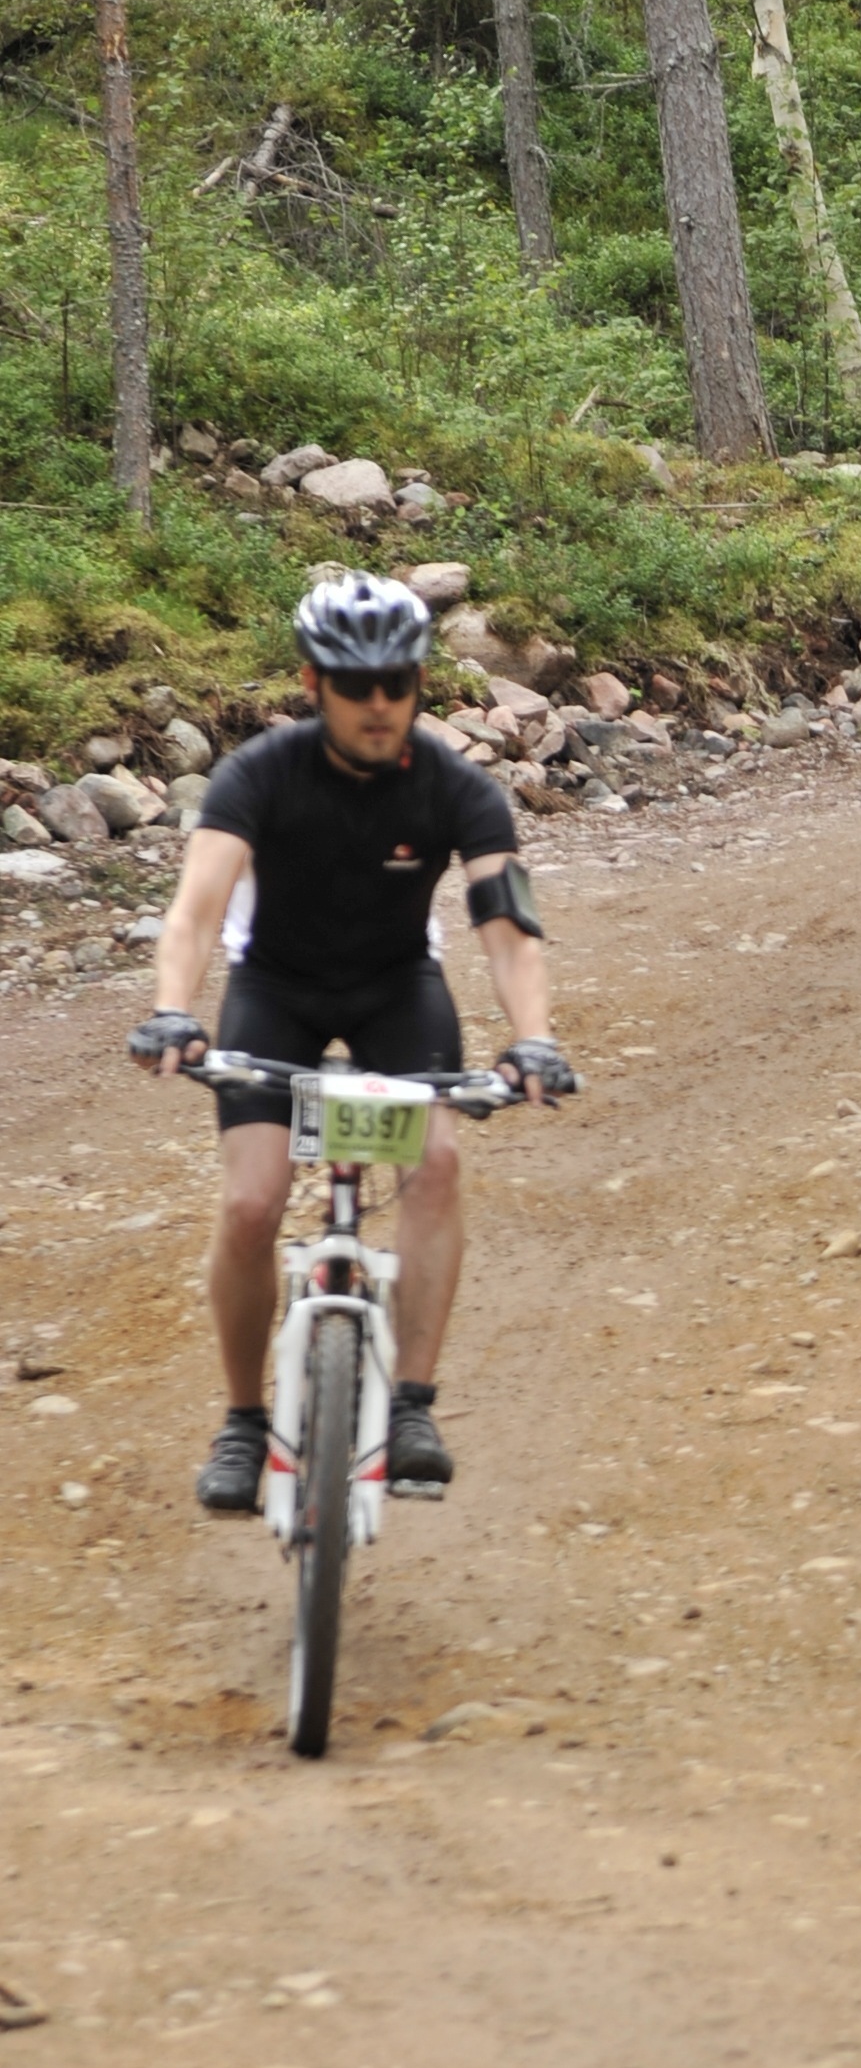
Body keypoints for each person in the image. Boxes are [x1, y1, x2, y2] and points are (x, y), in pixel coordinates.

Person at [128, 573, 575, 1516]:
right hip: (275, 991)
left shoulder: (458, 787)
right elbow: (196, 911)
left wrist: (534, 1039)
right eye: (355, 684)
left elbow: (509, 930)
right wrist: (172, 1009)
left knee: (436, 1164)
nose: (379, 703)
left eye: (396, 684)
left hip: (394, 994)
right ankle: (243, 1422)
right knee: (251, 1204)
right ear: (313, 684)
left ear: (418, 686)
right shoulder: (259, 773)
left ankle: (411, 1407)